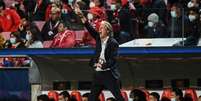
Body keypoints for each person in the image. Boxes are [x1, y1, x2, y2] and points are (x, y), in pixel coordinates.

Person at [74, 4, 124, 101]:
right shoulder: (98, 38)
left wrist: (103, 65)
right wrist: (80, 15)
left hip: (109, 74)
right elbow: (88, 26)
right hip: (98, 74)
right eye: (99, 28)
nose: (99, 29)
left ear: (108, 31)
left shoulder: (113, 43)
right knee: (92, 98)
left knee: (119, 97)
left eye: (102, 28)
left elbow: (113, 60)